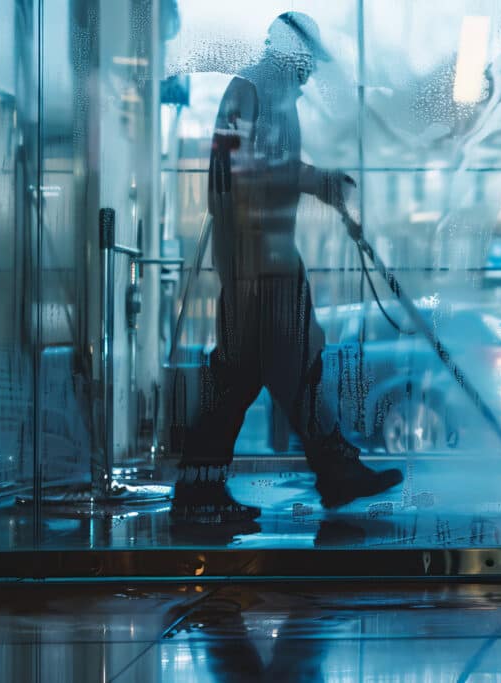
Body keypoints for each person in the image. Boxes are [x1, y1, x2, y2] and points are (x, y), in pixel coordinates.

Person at [171, 12, 403, 524]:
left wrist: (316, 182)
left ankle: (200, 488)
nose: (310, 74)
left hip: (260, 253)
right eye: (307, 62)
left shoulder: (266, 96)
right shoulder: (251, 89)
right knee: (289, 359)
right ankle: (334, 471)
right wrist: (315, 181)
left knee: (245, 371)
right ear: (290, 53)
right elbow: (238, 171)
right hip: (258, 257)